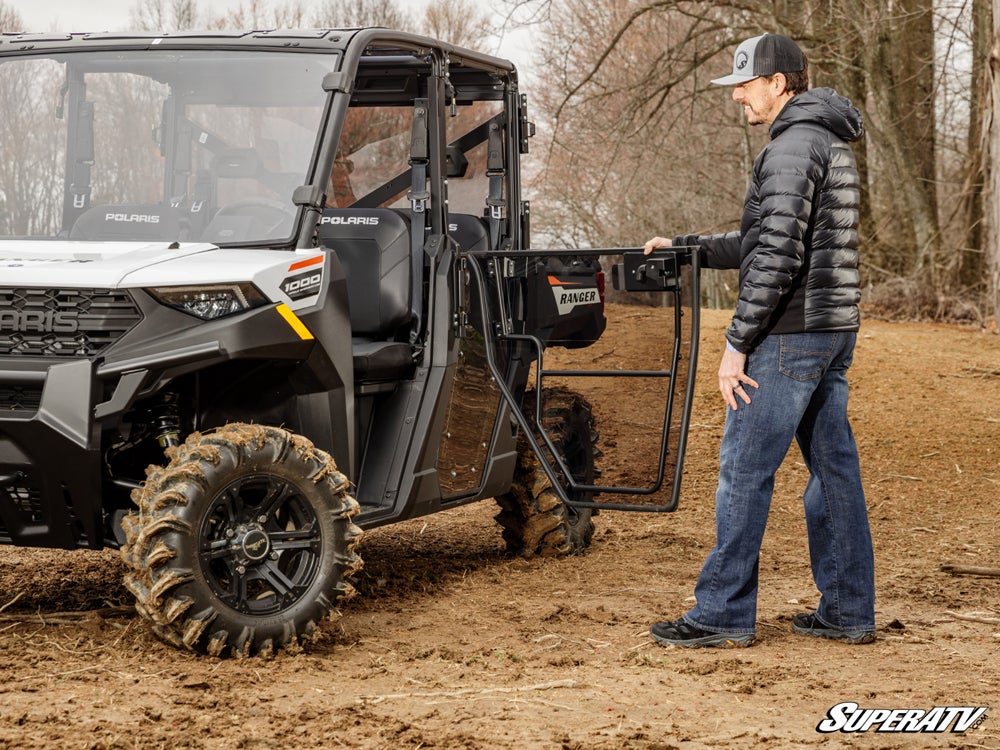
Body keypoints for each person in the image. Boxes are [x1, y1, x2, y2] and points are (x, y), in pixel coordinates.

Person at [643, 33, 875, 647]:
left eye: (746, 84)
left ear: (779, 83)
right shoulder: (824, 140)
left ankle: (720, 614)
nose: (738, 97)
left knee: (743, 472)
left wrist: (737, 343)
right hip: (831, 329)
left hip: (790, 334)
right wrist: (688, 247)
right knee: (833, 473)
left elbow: (776, 254)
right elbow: (766, 238)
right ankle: (849, 610)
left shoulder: (792, 147)